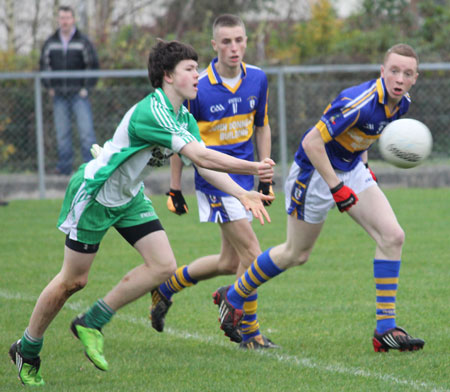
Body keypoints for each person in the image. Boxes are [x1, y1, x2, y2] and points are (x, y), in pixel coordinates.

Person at [8, 39, 275, 386]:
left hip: (129, 197)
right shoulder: (154, 111)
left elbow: (202, 164)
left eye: (197, 68)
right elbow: (205, 157)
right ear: (167, 76)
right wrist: (255, 166)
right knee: (73, 281)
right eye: (190, 70)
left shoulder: (182, 115)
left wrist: (242, 193)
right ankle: (26, 348)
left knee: (163, 266)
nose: (198, 75)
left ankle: (91, 321)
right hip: (97, 195)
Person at [212, 43, 426, 352]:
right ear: (382, 71)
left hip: (349, 168)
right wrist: (336, 187)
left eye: (407, 73)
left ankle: (385, 330)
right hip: (313, 173)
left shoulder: (401, 104)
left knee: (393, 236)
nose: (400, 78)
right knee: (295, 254)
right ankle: (233, 295)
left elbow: (363, 135)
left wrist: (363, 168)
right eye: (394, 70)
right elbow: (312, 142)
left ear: (415, 78)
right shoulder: (358, 101)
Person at [150, 14, 276, 349]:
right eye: (226, 42)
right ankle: (249, 332)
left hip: (245, 178)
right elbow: (181, 141)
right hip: (213, 180)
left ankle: (167, 287)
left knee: (230, 262)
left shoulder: (259, 79)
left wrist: (264, 172)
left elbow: (262, 124)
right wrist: (175, 187)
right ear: (214, 45)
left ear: (246, 41)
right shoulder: (198, 86)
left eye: (239, 40)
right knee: (253, 253)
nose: (234, 48)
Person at [40, 5, 99, 175]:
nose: (64, 21)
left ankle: (91, 168)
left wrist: (86, 88)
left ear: (73, 19)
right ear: (58, 20)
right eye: (61, 18)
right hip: (59, 95)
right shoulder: (50, 42)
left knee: (86, 132)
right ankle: (64, 168)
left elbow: (93, 65)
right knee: (62, 134)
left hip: (79, 95)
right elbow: (44, 65)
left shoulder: (83, 41)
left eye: (67, 18)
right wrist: (49, 86)